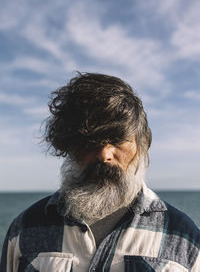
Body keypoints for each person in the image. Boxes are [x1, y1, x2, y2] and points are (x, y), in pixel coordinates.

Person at [0, 72, 199, 272]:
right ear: (70, 147)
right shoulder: (25, 230)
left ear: (141, 144)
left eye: (118, 138)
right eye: (90, 141)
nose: (104, 154)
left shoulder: (184, 237)